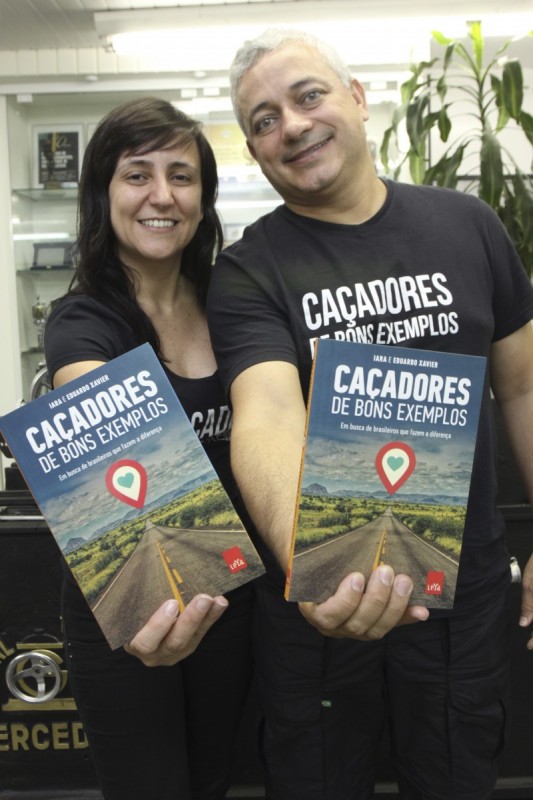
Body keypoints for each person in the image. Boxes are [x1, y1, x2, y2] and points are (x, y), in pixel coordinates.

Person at [205, 28, 533, 800]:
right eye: (261, 120)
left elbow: (522, 388)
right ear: (255, 153)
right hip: (317, 599)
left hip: (463, 595)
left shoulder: (468, 224)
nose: (289, 123)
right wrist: (314, 568)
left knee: (456, 776)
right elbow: (267, 416)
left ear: (356, 99)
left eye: (307, 95)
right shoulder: (250, 268)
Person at [44, 97, 260, 800]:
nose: (161, 195)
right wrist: (147, 608)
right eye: (137, 175)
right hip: (128, 601)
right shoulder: (84, 320)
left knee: (214, 782)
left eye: (181, 175)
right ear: (103, 194)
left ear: (204, 197)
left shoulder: (231, 302)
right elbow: (108, 460)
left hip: (230, 596)